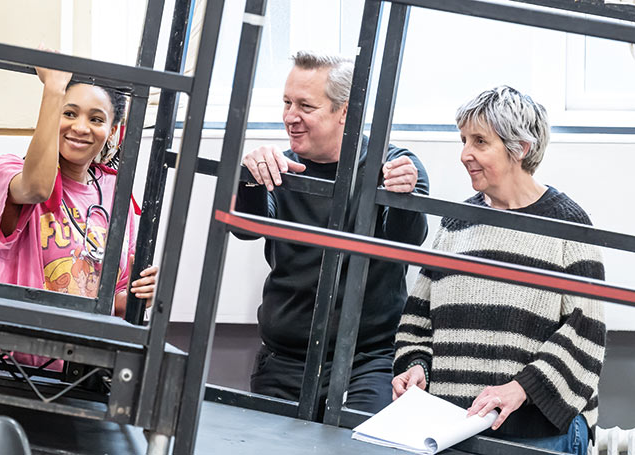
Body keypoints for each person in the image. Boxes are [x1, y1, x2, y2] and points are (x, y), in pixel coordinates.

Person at [392, 86, 605, 455]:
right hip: (452, 433)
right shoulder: (456, 223)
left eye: (480, 141)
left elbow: (585, 334)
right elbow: (418, 318)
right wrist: (416, 365)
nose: (464, 154)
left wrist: (522, 388)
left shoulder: (569, 227)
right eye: (463, 140)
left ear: (519, 148)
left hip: (537, 437)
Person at [235, 51, 430, 414]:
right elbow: (246, 230)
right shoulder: (279, 167)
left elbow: (406, 243)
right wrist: (249, 178)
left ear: (345, 112)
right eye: (286, 102)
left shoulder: (396, 166)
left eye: (306, 106)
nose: (290, 117)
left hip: (367, 361)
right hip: (284, 358)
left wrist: (403, 193)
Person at [0, 60, 158, 368]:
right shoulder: (8, 172)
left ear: (114, 130)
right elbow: (38, 189)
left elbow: (116, 300)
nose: (80, 127)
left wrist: (141, 292)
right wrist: (52, 88)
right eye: (69, 113)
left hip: (89, 369)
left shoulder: (117, 192)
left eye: (96, 119)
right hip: (22, 369)